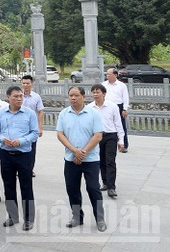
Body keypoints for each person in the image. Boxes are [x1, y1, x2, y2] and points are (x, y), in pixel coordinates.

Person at [56, 86, 106, 232]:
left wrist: (82, 152)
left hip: (90, 159)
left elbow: (98, 136)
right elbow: (60, 134)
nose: (73, 98)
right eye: (70, 95)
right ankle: (77, 216)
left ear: (83, 96)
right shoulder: (64, 114)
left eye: (76, 95)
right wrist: (74, 151)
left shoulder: (93, 114)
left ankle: (100, 218)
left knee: (93, 188)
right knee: (72, 189)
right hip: (71, 159)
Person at [0, 85, 38, 231]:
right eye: (16, 96)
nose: (19, 99)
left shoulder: (29, 113)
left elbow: (34, 133)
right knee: (8, 186)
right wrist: (2, 139)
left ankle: (29, 219)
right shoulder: (0, 113)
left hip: (24, 155)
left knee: (26, 187)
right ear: (8, 98)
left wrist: (21, 141)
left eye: (21, 96)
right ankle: (12, 216)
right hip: (6, 154)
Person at [88, 83, 125, 198]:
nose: (95, 94)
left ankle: (111, 187)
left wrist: (121, 140)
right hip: (97, 137)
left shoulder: (112, 106)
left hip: (110, 136)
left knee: (110, 161)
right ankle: (105, 182)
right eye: (93, 92)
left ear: (104, 93)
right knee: (101, 161)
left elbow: (118, 124)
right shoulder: (89, 108)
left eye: (98, 92)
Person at [21, 75, 44, 176]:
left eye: (27, 83)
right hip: (20, 127)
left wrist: (40, 127)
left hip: (32, 127)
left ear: (32, 84)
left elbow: (40, 112)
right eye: (24, 83)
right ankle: (20, 169)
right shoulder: (18, 96)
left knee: (31, 149)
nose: (25, 85)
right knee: (19, 147)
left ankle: (29, 169)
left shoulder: (36, 97)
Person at [103, 68, 130, 153]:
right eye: (107, 74)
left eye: (109, 74)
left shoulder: (121, 85)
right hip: (106, 106)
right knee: (107, 124)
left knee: (121, 125)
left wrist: (125, 109)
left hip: (118, 106)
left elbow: (125, 98)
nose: (108, 76)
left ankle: (124, 145)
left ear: (115, 75)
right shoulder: (103, 84)